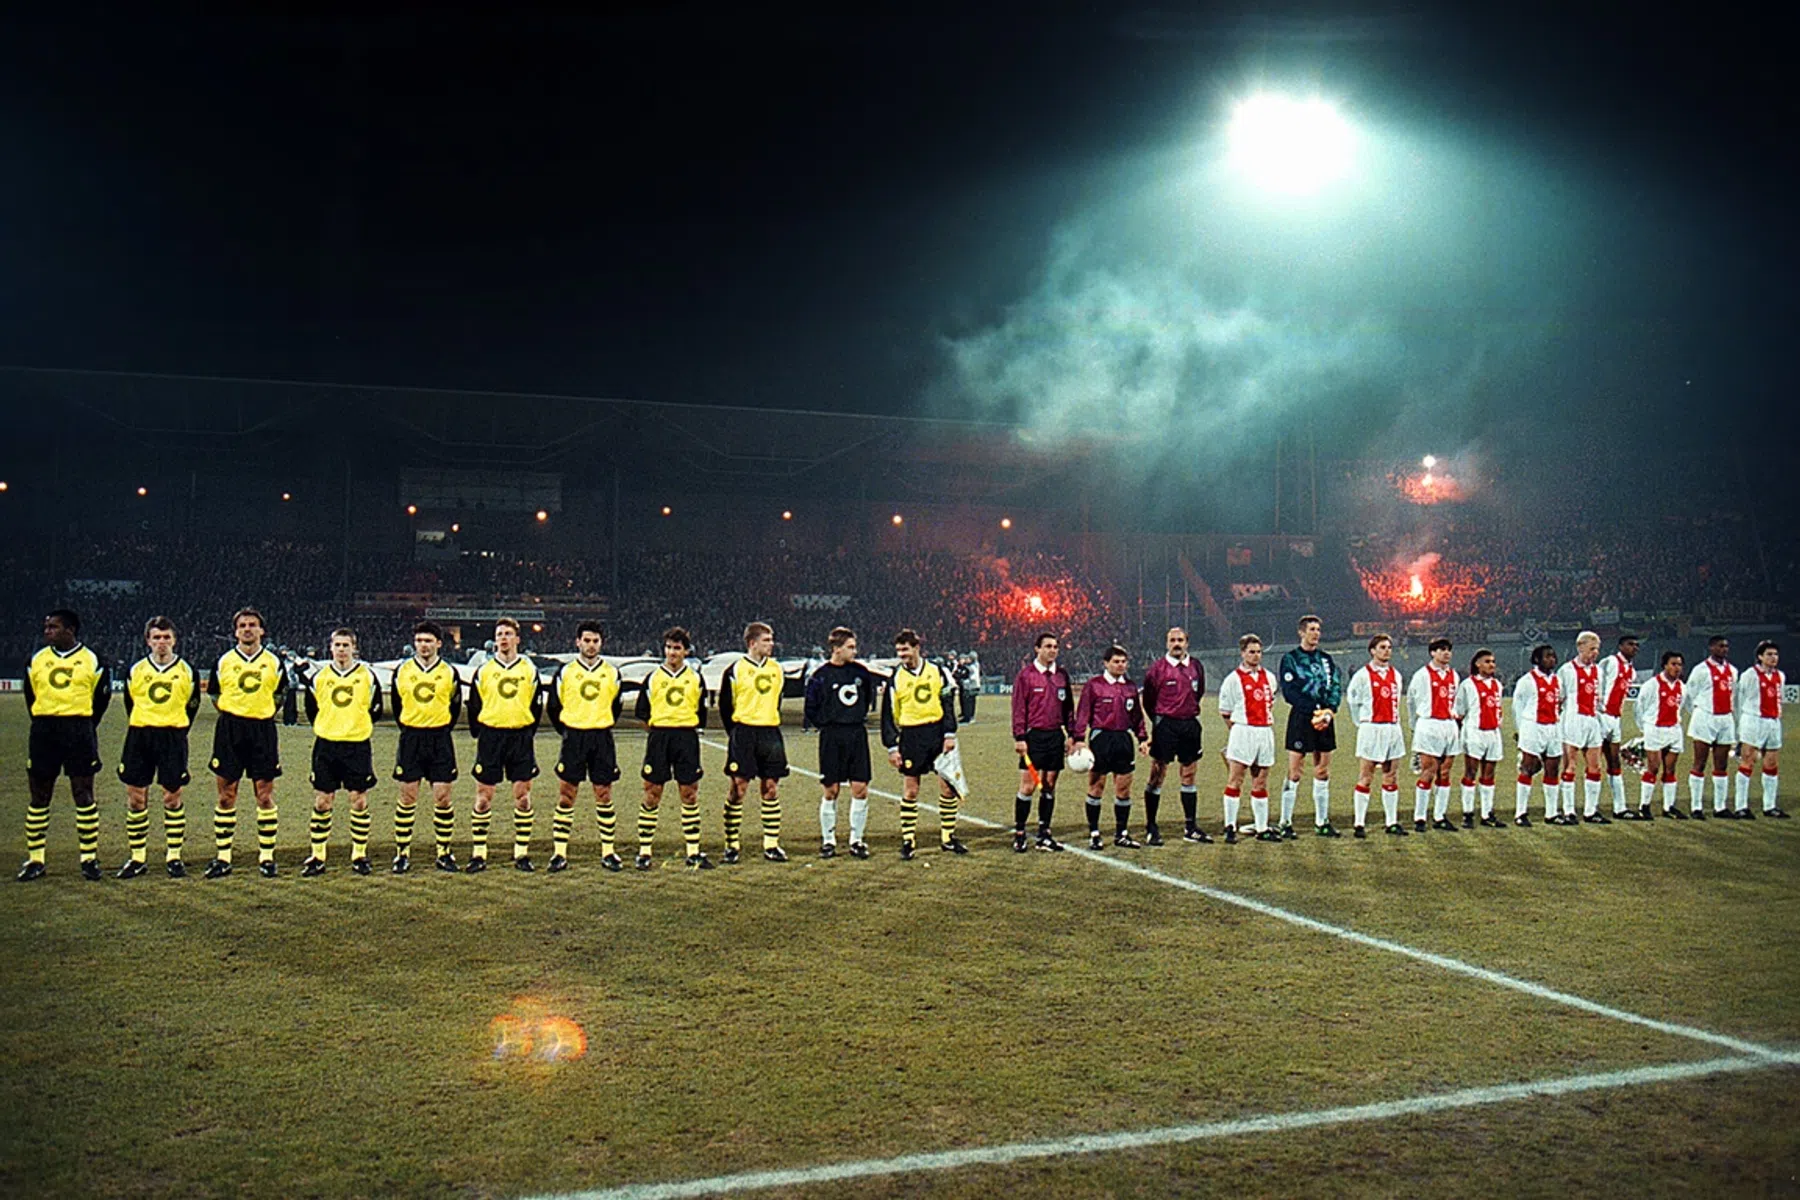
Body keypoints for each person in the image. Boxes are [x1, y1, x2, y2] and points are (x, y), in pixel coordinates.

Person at [18, 609, 109, 882]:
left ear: (70, 630)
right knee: (39, 796)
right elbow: (30, 695)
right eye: (47, 627)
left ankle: (89, 859)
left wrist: (83, 725)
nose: (47, 632)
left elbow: (100, 701)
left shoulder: (92, 660)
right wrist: (46, 721)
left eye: (53, 627)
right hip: (44, 731)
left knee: (83, 795)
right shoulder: (37, 660)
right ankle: (35, 860)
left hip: (79, 731)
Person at [204, 608, 287, 878]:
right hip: (230, 729)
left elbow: (281, 694)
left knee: (264, 794)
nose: (248, 629)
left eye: (252, 625)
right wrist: (236, 712)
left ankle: (266, 857)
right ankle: (223, 857)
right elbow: (215, 694)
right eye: (242, 625)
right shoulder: (225, 661)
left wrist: (259, 711)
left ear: (262, 630)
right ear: (235, 631)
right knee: (226, 794)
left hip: (262, 729)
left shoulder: (273, 662)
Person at [115, 616, 201, 878]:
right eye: (156, 638)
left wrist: (175, 729)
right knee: (136, 797)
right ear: (148, 641)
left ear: (174, 640)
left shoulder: (187, 671)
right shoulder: (136, 670)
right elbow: (131, 704)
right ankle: (137, 857)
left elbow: (192, 705)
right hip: (140, 736)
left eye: (166, 638)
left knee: (172, 796)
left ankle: (173, 856)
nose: (161, 643)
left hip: (173, 737)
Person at [300, 628, 384, 876]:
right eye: (337, 645)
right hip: (326, 746)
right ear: (330, 647)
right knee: (323, 801)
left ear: (354, 648)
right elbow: (312, 709)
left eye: (346, 645)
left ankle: (359, 854)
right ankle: (317, 855)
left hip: (356, 745)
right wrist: (330, 726)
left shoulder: (367, 676)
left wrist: (354, 726)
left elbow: (375, 710)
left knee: (358, 800)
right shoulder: (320, 677)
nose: (341, 649)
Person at [878, 628, 964, 859]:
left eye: (905, 649)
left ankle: (948, 837)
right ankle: (908, 840)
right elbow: (888, 714)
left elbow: (947, 702)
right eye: (899, 651)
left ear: (917, 648)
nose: (902, 655)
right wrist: (892, 746)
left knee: (947, 787)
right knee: (911, 789)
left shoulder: (938, 671)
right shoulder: (895, 677)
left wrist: (949, 733)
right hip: (911, 736)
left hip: (936, 733)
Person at [466, 617, 543, 872]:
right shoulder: (485, 671)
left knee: (522, 798)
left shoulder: (528, 670)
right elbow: (474, 706)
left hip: (520, 738)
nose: (503, 638)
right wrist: (484, 733)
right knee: (484, 799)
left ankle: (521, 854)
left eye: (508, 633)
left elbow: (536, 704)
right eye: (499, 634)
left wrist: (523, 728)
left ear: (517, 639)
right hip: (491, 738)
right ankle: (479, 854)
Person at [546, 621, 624, 872]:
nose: (591, 645)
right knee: (567, 795)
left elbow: (616, 705)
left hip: (601, 739)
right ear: (577, 642)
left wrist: (598, 722)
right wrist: (570, 730)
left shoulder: (611, 673)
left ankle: (608, 852)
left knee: (604, 795)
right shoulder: (566, 672)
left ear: (601, 643)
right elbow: (554, 707)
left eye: (595, 641)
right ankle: (559, 853)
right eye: (586, 640)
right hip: (574, 739)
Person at [633, 626, 711, 870]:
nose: (672, 652)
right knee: (652, 792)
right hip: (659, 738)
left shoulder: (695, 678)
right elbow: (642, 713)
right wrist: (660, 731)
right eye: (668, 647)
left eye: (677, 648)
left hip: (686, 738)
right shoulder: (653, 678)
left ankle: (693, 851)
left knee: (689, 794)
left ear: (686, 651)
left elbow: (701, 711)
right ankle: (644, 852)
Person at [389, 620, 463, 873]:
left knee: (442, 797)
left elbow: (454, 707)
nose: (423, 645)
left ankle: (444, 852)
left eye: (428, 641)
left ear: (439, 644)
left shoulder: (449, 672)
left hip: (440, 739)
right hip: (411, 738)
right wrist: (413, 726)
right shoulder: (402, 671)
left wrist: (438, 726)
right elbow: (398, 707)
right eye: (419, 640)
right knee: (407, 797)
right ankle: (402, 853)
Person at [803, 626, 880, 858]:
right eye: (850, 647)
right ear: (836, 649)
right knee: (831, 789)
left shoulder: (861, 672)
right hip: (831, 736)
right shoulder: (820, 675)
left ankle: (856, 840)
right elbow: (811, 708)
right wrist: (827, 723)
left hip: (856, 734)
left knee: (860, 787)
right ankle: (829, 841)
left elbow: (868, 698)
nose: (855, 651)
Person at [720, 621, 792, 863]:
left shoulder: (777, 670)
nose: (771, 644)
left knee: (771, 788)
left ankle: (771, 844)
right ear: (752, 643)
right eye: (767, 640)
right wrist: (737, 733)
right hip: (744, 733)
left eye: (771, 640)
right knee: (738, 788)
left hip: (770, 733)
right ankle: (731, 844)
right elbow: (725, 706)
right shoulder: (735, 670)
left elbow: (778, 700)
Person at [1070, 644, 1148, 850]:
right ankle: (1094, 833)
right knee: (1097, 787)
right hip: (1101, 739)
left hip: (1123, 740)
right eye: (1116, 661)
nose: (1121, 665)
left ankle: (1121, 833)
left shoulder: (1130, 687)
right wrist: (1078, 738)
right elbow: (1083, 714)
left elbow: (1137, 717)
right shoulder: (1094, 685)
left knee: (1123, 789)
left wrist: (1142, 738)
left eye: (1124, 662)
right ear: (1106, 663)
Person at [1140, 626, 1208, 845]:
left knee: (1189, 774)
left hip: (1189, 724)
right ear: (1167, 643)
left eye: (1180, 640)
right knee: (1157, 774)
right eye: (1172, 640)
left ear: (1187, 642)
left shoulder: (1196, 666)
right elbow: (1148, 700)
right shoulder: (1157, 669)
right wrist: (1159, 722)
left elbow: (1199, 693)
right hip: (1165, 725)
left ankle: (1190, 827)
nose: (1176, 643)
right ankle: (1151, 826)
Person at [1277, 614, 1343, 838]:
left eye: (1318, 629)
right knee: (1295, 772)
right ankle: (1285, 822)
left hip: (1324, 717)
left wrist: (1330, 710)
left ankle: (1321, 822)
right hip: (1302, 718)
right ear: (1301, 632)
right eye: (1312, 629)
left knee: (1323, 770)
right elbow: (1290, 691)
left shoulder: (1326, 659)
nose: (1316, 633)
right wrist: (1313, 708)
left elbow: (1335, 684)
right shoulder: (1291, 659)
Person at [1011, 632, 1075, 852]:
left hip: (1055, 736)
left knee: (1049, 786)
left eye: (1055, 646)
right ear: (1037, 649)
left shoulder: (1061, 675)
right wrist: (1020, 737)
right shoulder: (1026, 676)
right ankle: (1020, 833)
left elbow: (1068, 709)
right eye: (1048, 646)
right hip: (1033, 736)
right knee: (1028, 786)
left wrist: (1072, 735)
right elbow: (1018, 708)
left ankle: (1044, 833)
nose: (1052, 650)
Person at [1216, 634, 1281, 843]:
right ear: (1242, 653)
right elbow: (1225, 712)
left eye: (1258, 652)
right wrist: (1236, 734)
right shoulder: (1232, 680)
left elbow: (1270, 704)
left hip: (1264, 732)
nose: (1255, 656)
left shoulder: (1270, 678)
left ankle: (1261, 828)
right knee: (1236, 779)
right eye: (1251, 652)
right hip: (1243, 731)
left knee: (1260, 781)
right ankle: (1230, 827)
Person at [1343, 633, 1407, 837]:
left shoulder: (1396, 675)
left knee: (1390, 775)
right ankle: (1359, 823)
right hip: (1371, 728)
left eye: (1389, 647)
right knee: (1366, 776)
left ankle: (1391, 822)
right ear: (1372, 650)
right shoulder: (1362, 675)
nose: (1387, 650)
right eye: (1382, 647)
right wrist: (1362, 723)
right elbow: (1352, 702)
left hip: (1392, 728)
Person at [1407, 637, 1461, 832]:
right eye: (1441, 650)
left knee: (1445, 772)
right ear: (1432, 653)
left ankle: (1440, 816)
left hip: (1448, 725)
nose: (1446, 653)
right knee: (1428, 771)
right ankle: (1420, 817)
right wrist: (1415, 726)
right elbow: (1411, 702)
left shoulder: (1454, 675)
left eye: (1448, 650)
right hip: (1429, 725)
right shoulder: (1422, 675)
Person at [1556, 631, 1610, 824]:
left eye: (1597, 649)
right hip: (1573, 720)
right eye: (1591, 649)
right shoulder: (1566, 670)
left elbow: (1599, 697)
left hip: (1592, 721)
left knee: (1595, 766)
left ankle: (1590, 811)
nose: (1595, 653)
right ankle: (1569, 810)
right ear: (1580, 647)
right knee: (1570, 766)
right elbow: (1558, 698)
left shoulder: (1598, 671)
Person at [1684, 634, 1737, 819]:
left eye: (1727, 646)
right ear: (1711, 648)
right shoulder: (1700, 670)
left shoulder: (1733, 671)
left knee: (1721, 764)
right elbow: (1689, 695)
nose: (1724, 649)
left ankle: (1720, 807)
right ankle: (1696, 807)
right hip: (1705, 718)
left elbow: (1733, 697)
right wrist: (1699, 713)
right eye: (1721, 646)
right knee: (1700, 762)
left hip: (1725, 719)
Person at [1512, 644, 1564, 826]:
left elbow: (1560, 702)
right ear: (1537, 660)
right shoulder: (1527, 681)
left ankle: (1551, 813)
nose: (1552, 659)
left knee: (1553, 768)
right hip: (1533, 727)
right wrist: (1521, 730)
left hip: (1553, 727)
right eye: (1548, 656)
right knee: (1528, 767)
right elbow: (1517, 706)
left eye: (1553, 656)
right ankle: (1520, 813)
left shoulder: (1557, 680)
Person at [1733, 640, 1786, 819]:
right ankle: (1741, 806)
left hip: (1773, 722)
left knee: (1771, 764)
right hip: (1753, 720)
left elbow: (1779, 698)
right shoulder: (1750, 675)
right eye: (1769, 654)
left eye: (1776, 654)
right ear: (1760, 657)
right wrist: (1740, 728)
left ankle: (1769, 806)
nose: (1773, 658)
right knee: (1748, 762)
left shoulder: (1780, 676)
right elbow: (1739, 700)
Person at [1454, 648, 1506, 828]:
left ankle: (1486, 813)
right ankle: (1467, 813)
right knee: (1470, 772)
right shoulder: (1467, 685)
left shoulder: (1497, 685)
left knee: (1489, 774)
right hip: (1474, 732)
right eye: (1487, 661)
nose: (1491, 665)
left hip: (1493, 733)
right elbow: (1459, 711)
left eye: (1493, 661)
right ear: (1477, 664)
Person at [1635, 650, 1689, 819]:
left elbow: (1680, 707)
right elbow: (1639, 708)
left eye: (1679, 664)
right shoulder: (1652, 684)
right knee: (1653, 767)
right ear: (1665, 665)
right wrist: (1645, 729)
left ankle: (1668, 807)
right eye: (1673, 664)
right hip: (1654, 729)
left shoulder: (1682, 687)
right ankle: (1644, 806)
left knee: (1670, 769)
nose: (1677, 668)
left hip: (1674, 730)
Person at [1597, 635, 1641, 817]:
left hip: (1615, 719)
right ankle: (1592, 807)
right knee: (1595, 763)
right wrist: (1598, 711)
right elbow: (1596, 684)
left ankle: (1619, 807)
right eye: (1630, 644)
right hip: (1601, 716)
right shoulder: (1609, 662)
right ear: (1620, 646)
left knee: (1614, 762)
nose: (1634, 648)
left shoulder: (1631, 671)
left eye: (1636, 645)